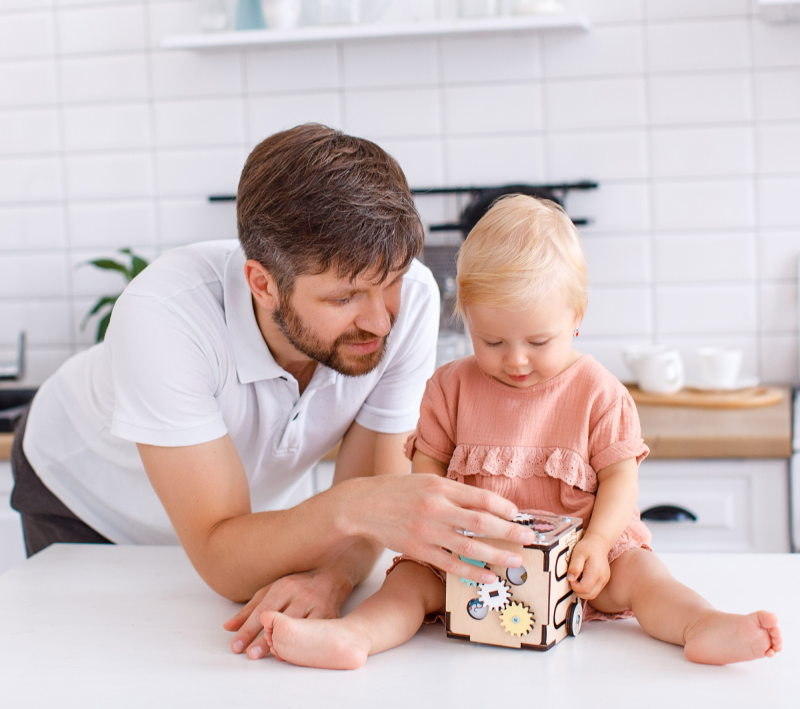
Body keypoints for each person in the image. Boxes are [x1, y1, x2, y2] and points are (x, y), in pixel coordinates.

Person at [11, 125, 537, 660]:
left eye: (392, 281)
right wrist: (355, 506)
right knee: (94, 668)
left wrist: (332, 575)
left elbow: (371, 505)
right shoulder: (164, 315)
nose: (380, 320)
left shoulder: (415, 302)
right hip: (85, 499)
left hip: (237, 522)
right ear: (262, 284)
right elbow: (224, 555)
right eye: (344, 297)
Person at [257, 194, 783, 669]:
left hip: (585, 558)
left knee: (647, 580)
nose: (515, 360)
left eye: (538, 340)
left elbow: (622, 480)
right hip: (472, 560)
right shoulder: (450, 387)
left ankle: (702, 625)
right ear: (465, 319)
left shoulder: (599, 391)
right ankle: (355, 636)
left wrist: (598, 543)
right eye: (491, 341)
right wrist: (442, 539)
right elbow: (428, 473)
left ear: (576, 318)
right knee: (408, 587)